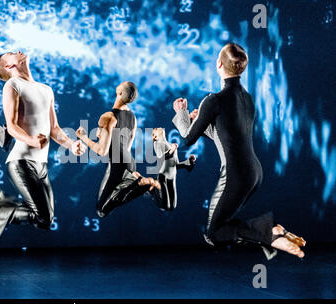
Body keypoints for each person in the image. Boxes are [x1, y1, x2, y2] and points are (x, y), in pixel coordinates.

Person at [172, 43, 306, 259]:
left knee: (213, 234)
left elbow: (187, 139)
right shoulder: (248, 99)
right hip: (254, 172)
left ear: (219, 64)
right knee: (222, 227)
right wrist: (204, 122)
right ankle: (270, 231)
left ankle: (271, 232)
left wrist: (182, 113)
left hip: (235, 175)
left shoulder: (213, 100)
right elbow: (229, 137)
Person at [0, 50, 85, 248]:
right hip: (21, 161)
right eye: (12, 53)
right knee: (40, 215)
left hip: (41, 164)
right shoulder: (13, 85)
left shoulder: (46, 89)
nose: (18, 51)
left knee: (45, 220)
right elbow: (11, 126)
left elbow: (54, 128)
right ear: (9, 67)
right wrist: (32, 141)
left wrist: (71, 145)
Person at [76, 81, 160, 218]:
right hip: (129, 164)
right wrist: (104, 138)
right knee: (118, 195)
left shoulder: (109, 117)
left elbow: (101, 151)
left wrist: (83, 137)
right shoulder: (133, 117)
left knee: (101, 210)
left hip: (118, 165)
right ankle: (139, 183)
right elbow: (125, 145)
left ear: (120, 93)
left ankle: (140, 184)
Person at [151, 128, 196, 211]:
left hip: (172, 177)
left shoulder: (172, 145)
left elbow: (176, 165)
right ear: (156, 136)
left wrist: (189, 161)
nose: (158, 128)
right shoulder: (157, 144)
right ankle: (152, 190)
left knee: (172, 207)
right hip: (163, 176)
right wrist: (171, 150)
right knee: (165, 206)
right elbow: (161, 157)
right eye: (155, 131)